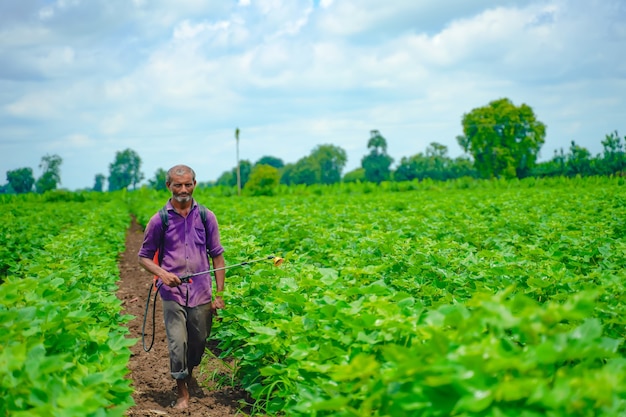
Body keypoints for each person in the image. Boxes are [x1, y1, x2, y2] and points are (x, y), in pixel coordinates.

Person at [138, 164, 226, 409]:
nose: (183, 189)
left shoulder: (207, 217)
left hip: (201, 291)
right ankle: (182, 391)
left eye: (188, 184)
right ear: (169, 186)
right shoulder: (159, 220)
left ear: (194, 184)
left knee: (198, 341)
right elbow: (143, 256)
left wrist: (219, 294)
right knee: (178, 343)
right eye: (178, 185)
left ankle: (189, 372)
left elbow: (217, 257)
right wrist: (162, 274)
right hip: (172, 293)